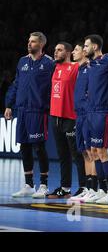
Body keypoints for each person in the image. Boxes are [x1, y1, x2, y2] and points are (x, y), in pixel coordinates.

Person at [6, 32, 54, 198]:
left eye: (33, 41)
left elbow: (54, 88)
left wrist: (49, 106)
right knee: (24, 146)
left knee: (39, 147)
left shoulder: (49, 63)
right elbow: (16, 83)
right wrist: (9, 104)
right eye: (28, 41)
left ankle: (44, 185)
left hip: (38, 111)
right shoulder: (22, 61)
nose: (29, 44)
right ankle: (28, 184)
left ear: (41, 44)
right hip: (22, 110)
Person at [47, 42, 86, 199]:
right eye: (55, 50)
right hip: (55, 116)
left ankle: (84, 187)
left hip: (71, 117)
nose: (55, 52)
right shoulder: (55, 67)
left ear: (69, 52)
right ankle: (65, 188)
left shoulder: (76, 67)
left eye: (59, 50)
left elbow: (88, 62)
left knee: (77, 155)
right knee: (63, 155)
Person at [82, 34, 108, 204]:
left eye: (86, 45)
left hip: (103, 112)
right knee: (94, 152)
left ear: (95, 47)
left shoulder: (107, 61)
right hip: (90, 111)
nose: (84, 48)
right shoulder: (90, 65)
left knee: (103, 151)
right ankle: (102, 190)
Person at [68, 42, 98, 202]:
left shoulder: (91, 69)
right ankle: (88, 188)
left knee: (92, 152)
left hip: (88, 114)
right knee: (85, 153)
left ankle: (94, 189)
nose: (73, 52)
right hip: (78, 115)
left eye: (77, 49)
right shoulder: (78, 69)